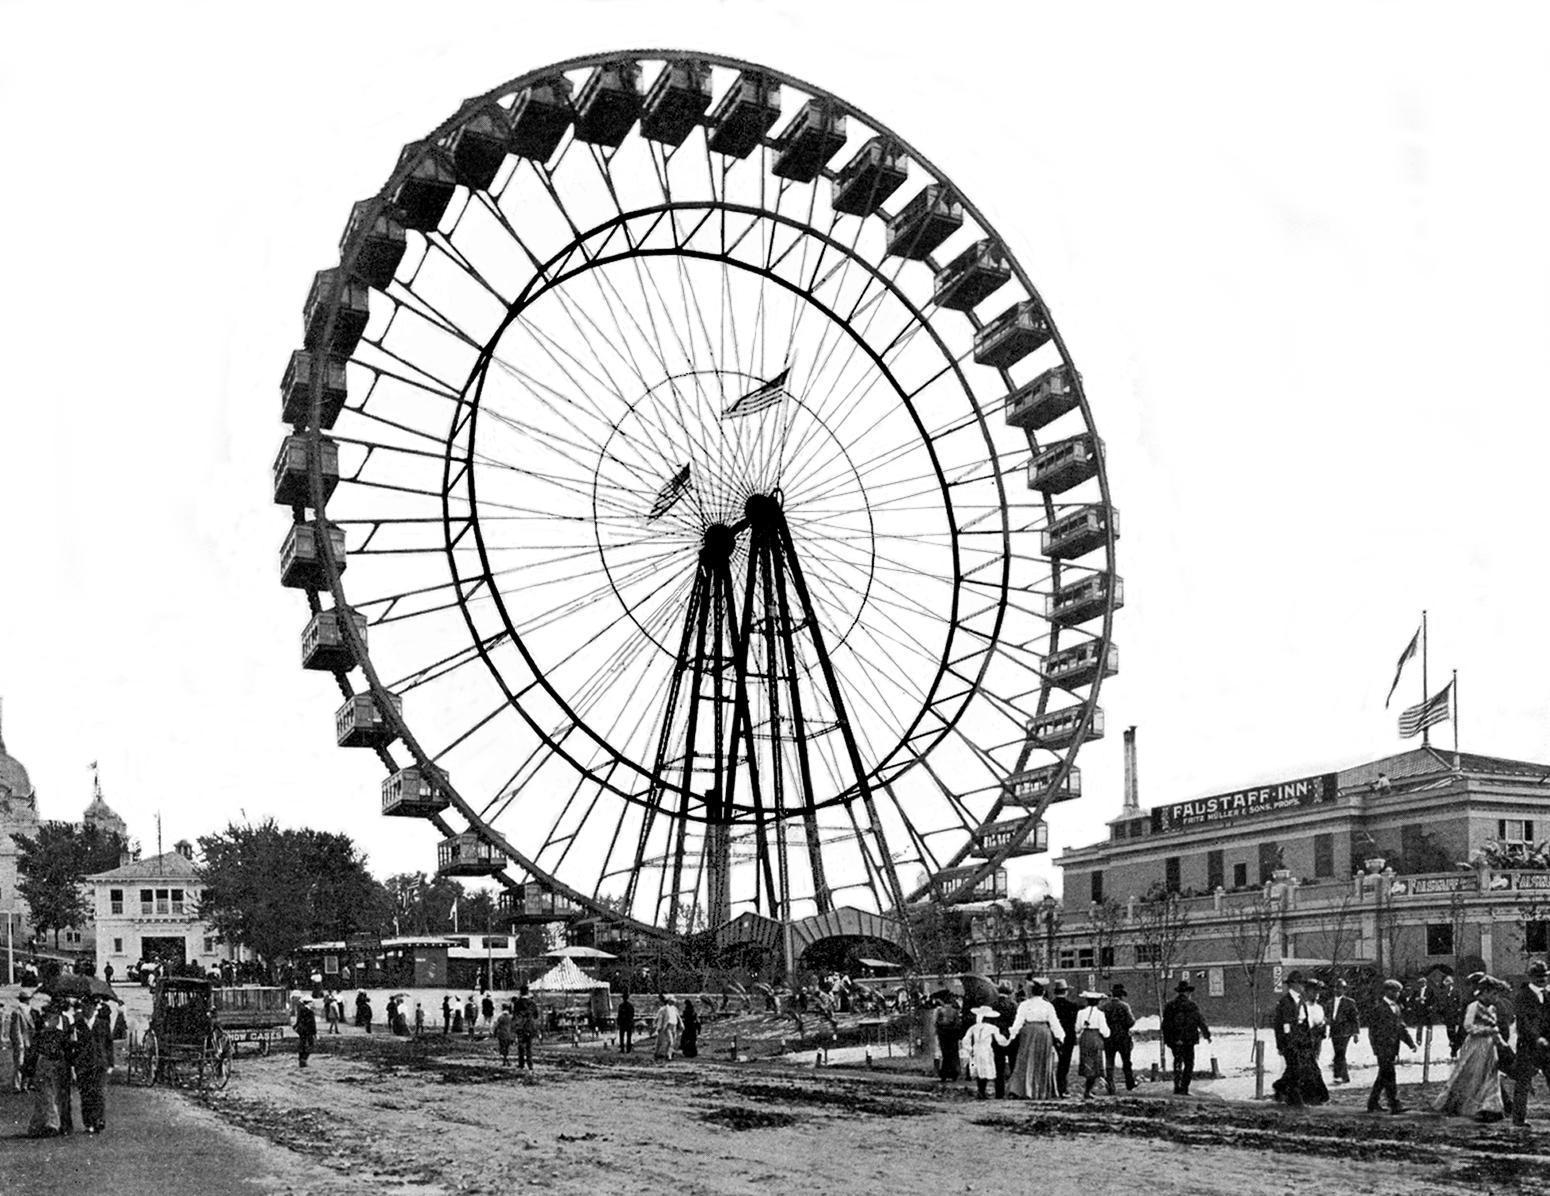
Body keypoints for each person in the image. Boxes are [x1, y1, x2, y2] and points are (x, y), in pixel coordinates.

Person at [1434, 975, 1509, 1121]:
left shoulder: (1492, 1008)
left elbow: (1494, 1027)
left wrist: (1500, 1041)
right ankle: (1466, 1106)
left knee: (1490, 1075)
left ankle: (1490, 1107)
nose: (1496, 998)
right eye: (1493, 994)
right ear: (1485, 992)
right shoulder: (1474, 1006)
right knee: (1471, 1075)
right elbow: (1468, 1026)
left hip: (1489, 1046)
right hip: (1475, 1045)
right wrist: (1486, 1031)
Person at [1006, 978, 1064, 1099]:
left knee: (1025, 1060)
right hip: (1044, 1033)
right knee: (1042, 1060)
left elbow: (1018, 1022)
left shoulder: (1024, 1005)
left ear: (1031, 992)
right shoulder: (1048, 1006)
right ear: (1043, 992)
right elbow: (1054, 1023)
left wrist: (1012, 1035)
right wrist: (1060, 1037)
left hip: (1028, 1032)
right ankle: (1041, 1090)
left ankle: (1023, 1089)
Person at [1368, 978, 1416, 1114]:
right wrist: (1376, 1049)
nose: (1397, 994)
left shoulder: (1397, 1008)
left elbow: (1401, 1028)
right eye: (1394, 991)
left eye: (1398, 992)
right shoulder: (1378, 1008)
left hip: (1393, 1048)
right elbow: (1373, 1031)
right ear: (1387, 991)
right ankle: (1394, 1104)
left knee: (1383, 1076)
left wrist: (1410, 1043)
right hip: (1382, 1048)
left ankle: (1373, 1103)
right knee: (1390, 1075)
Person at [1511, 959, 1550, 1127]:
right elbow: (1524, 1023)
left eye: (1544, 976)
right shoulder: (1522, 996)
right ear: (1531, 977)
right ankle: (1518, 1120)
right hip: (1528, 1046)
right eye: (1538, 976)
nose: (1542, 979)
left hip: (1547, 1046)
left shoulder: (1548, 995)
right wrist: (1536, 1038)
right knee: (1523, 1082)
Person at [1162, 979, 1212, 1096]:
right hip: (1188, 1039)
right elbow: (1200, 1021)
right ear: (1188, 993)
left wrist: (1168, 1039)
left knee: (1177, 1061)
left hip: (1175, 1039)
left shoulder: (1170, 1005)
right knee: (1189, 1063)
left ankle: (1177, 1086)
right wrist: (1207, 1035)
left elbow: (1165, 1025)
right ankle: (1184, 1088)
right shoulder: (1192, 1005)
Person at [27, 1003, 69, 1137]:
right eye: (48, 1018)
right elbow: (33, 1052)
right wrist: (29, 1070)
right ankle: (51, 1124)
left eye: (53, 1018)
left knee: (52, 1096)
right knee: (46, 1096)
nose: (50, 1021)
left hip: (57, 1067)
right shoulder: (40, 1035)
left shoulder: (61, 1035)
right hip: (44, 1066)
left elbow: (67, 1052)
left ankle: (41, 1124)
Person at [75, 996, 114, 1133]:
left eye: (91, 1007)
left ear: (95, 1008)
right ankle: (88, 1123)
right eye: (85, 1007)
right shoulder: (77, 1026)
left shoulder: (103, 1024)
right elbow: (74, 1047)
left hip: (100, 1063)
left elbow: (109, 1045)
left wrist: (110, 1064)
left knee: (99, 1093)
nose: (88, 1010)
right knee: (86, 1095)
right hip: (84, 1065)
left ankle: (99, 1120)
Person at [1271, 971, 1308, 1105]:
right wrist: (1283, 1044)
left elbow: (1304, 1022)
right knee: (1295, 1067)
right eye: (1300, 983)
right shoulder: (1285, 1002)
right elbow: (1282, 1024)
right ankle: (1294, 1098)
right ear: (1293, 985)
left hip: (1300, 1040)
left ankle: (1280, 1086)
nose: (1303, 986)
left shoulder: (1301, 1001)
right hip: (1289, 1041)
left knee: (1294, 1068)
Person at [959, 1006, 1009, 1100]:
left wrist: (969, 1049)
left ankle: (981, 1091)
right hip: (986, 1049)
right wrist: (1007, 1040)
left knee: (978, 1069)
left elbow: (965, 1039)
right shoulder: (993, 1028)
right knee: (986, 1069)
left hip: (976, 1049)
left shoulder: (973, 1027)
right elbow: (1000, 1040)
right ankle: (984, 1091)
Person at [1073, 991, 1111, 1100]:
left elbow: (1077, 1028)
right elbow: (1105, 1031)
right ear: (1098, 1002)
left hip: (1085, 1037)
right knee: (1096, 1064)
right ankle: (1088, 1090)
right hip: (1095, 1037)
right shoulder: (1100, 1014)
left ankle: (1088, 1088)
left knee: (1087, 1062)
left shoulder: (1081, 1013)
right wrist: (1107, 1034)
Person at [1101, 983, 1136, 1093]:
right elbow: (1131, 1022)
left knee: (1109, 1061)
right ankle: (1129, 1083)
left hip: (1109, 1038)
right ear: (1121, 995)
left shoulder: (1105, 1007)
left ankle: (1110, 1085)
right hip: (1123, 1037)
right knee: (1126, 1061)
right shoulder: (1125, 1006)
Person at [1050, 979, 1080, 1097]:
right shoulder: (1072, 1006)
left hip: (1053, 1037)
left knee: (1050, 1063)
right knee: (1064, 1063)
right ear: (1066, 992)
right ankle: (1062, 1088)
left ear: (1055, 992)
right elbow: (1075, 1023)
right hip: (1068, 1037)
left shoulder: (1050, 1005)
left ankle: (1052, 1087)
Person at [1327, 978, 1360, 1084]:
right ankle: (1344, 1077)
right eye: (1336, 988)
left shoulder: (1349, 1002)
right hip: (1334, 1031)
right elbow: (1329, 1016)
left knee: (1340, 1053)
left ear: (1344, 990)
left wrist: (1356, 1033)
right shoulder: (1330, 1002)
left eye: (1340, 988)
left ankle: (1338, 1075)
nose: (1338, 990)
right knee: (1339, 1053)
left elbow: (1355, 1018)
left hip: (1345, 1031)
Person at [990, 981, 1019, 1099]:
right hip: (1011, 1036)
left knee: (999, 1066)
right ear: (1010, 992)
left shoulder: (993, 1005)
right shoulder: (1013, 1005)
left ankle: (999, 1092)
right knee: (1013, 1064)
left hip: (997, 1036)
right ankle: (1013, 1090)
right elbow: (1016, 1022)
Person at [7, 990, 33, 1093]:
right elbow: (16, 1030)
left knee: (26, 1064)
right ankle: (17, 1086)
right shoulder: (17, 1012)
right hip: (22, 1042)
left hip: (29, 1041)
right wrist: (19, 1043)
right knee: (19, 1064)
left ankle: (24, 1085)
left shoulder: (28, 1011)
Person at [933, 996, 962, 1082]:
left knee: (945, 1054)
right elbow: (958, 1024)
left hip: (943, 1034)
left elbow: (936, 1023)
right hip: (953, 1034)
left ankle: (944, 1073)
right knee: (953, 1053)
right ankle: (954, 1072)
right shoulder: (954, 1011)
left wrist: (938, 1031)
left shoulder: (940, 1011)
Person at [513, 984, 539, 1072]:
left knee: (521, 1046)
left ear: (520, 992)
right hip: (530, 1027)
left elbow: (515, 1016)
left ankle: (521, 1064)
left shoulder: (517, 1003)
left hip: (520, 1027)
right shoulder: (532, 1003)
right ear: (528, 992)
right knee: (529, 1047)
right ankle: (530, 1065)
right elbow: (536, 1015)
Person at [653, 996, 681, 1062]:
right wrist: (657, 1026)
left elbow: (678, 1016)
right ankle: (665, 1055)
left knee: (672, 1041)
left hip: (673, 1026)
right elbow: (658, 1018)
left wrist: (681, 1024)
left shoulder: (674, 1009)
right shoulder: (663, 1009)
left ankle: (668, 1054)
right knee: (668, 1041)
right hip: (666, 1026)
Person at [295, 998, 318, 1067]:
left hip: (301, 1030)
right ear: (309, 1003)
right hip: (309, 1031)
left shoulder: (300, 1011)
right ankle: (304, 1059)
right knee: (311, 1044)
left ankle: (301, 1058)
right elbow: (312, 1023)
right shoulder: (310, 1012)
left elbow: (298, 1020)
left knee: (302, 1044)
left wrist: (296, 1027)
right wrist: (315, 1033)